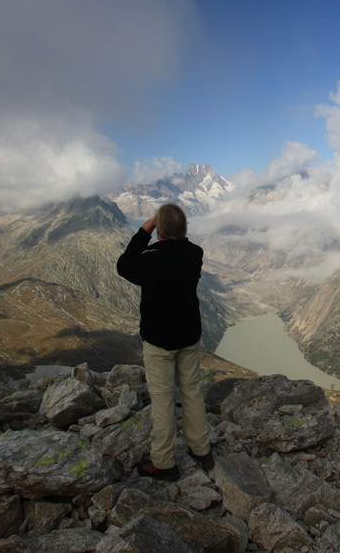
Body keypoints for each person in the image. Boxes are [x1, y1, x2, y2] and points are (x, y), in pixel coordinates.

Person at [116, 203, 213, 481]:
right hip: (189, 335)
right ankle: (201, 450)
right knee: (192, 391)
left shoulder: (151, 259)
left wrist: (144, 231)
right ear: (184, 230)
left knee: (163, 399)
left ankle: (164, 462)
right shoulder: (195, 254)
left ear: (158, 232)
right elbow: (181, 246)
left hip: (159, 340)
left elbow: (124, 265)